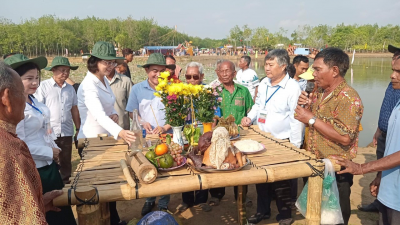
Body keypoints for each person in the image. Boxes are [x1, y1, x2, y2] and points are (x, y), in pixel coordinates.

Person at [4, 54, 76, 225]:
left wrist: (52, 150)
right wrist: (48, 151)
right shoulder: (15, 107)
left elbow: (44, 131)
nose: (35, 82)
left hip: (48, 165)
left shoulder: (33, 100)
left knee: (61, 210)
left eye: (37, 77)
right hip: (35, 168)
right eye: (29, 78)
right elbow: (18, 143)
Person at [295, 47, 364, 225]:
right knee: (315, 214)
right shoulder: (319, 92)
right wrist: (305, 110)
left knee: (335, 218)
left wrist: (311, 119)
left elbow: (345, 137)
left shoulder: (349, 98)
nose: (313, 73)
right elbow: (315, 124)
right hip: (316, 163)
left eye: (317, 69)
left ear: (334, 71)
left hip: (336, 169)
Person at [332, 56, 400, 225]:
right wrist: (381, 177)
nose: (392, 75)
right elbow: (392, 146)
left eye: (399, 72)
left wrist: (362, 167)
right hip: (390, 191)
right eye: (393, 70)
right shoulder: (397, 102)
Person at [241, 49, 303, 225]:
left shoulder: (292, 88)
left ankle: (285, 215)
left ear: (283, 66)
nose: (266, 68)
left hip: (283, 142)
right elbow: (258, 104)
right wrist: (249, 117)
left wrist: (295, 147)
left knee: (282, 181)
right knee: (261, 179)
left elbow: (296, 118)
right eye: (265, 64)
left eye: (270, 64)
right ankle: (263, 211)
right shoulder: (264, 83)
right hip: (262, 140)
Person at [77, 41, 136, 225]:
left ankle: (113, 220)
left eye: (112, 62)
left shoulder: (103, 80)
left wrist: (113, 117)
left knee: (109, 186)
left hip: (104, 138)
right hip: (92, 142)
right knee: (97, 189)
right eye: (105, 62)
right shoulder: (89, 85)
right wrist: (121, 132)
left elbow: (105, 112)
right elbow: (98, 115)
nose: (109, 66)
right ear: (94, 61)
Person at [126, 53, 175, 215]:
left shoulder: (171, 88)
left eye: (162, 70)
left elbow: (177, 115)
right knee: (149, 167)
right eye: (154, 70)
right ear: (147, 70)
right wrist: (141, 121)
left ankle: (163, 202)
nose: (158, 74)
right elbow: (131, 112)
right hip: (146, 138)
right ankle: (149, 200)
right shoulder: (137, 89)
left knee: (166, 168)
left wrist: (165, 127)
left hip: (166, 136)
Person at [358, 44, 400, 213]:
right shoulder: (393, 84)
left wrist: (361, 168)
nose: (393, 75)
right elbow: (388, 109)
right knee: (384, 168)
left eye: (397, 55)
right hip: (386, 132)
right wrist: (379, 128)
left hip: (395, 135)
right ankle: (381, 202)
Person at [208, 60, 254, 207]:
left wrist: (249, 120)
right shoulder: (213, 92)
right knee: (218, 162)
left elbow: (251, 112)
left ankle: (241, 195)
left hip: (239, 136)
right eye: (222, 71)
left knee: (240, 164)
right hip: (219, 137)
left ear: (234, 73)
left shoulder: (243, 91)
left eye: (228, 71)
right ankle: (217, 195)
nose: (225, 73)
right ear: (217, 73)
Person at [34, 56, 80, 184]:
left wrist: (78, 128)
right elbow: (38, 109)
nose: (65, 74)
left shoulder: (70, 89)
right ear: (53, 70)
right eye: (62, 70)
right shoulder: (43, 87)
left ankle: (66, 185)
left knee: (66, 159)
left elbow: (74, 109)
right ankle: (53, 185)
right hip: (49, 131)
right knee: (51, 159)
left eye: (67, 71)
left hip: (66, 131)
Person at [177, 62, 211, 212]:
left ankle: (202, 199)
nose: (190, 80)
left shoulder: (208, 92)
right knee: (186, 166)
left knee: (203, 165)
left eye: (195, 77)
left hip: (203, 136)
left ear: (202, 76)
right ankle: (187, 200)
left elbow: (215, 115)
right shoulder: (181, 92)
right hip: (186, 135)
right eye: (188, 77)